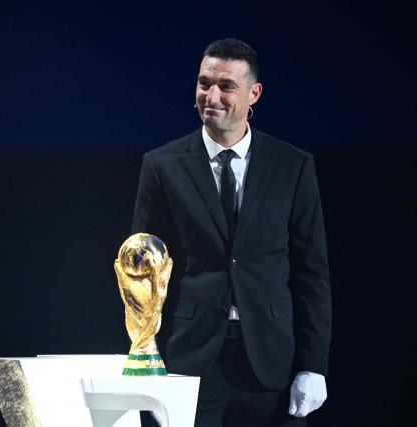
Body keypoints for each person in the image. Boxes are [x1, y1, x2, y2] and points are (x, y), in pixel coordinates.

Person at [132, 38, 331, 426]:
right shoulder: (161, 165)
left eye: (226, 86)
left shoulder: (292, 166)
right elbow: (143, 274)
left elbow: (313, 273)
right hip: (190, 358)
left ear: (253, 93)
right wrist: (146, 359)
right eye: (204, 83)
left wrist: (314, 365)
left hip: (272, 360)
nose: (212, 96)